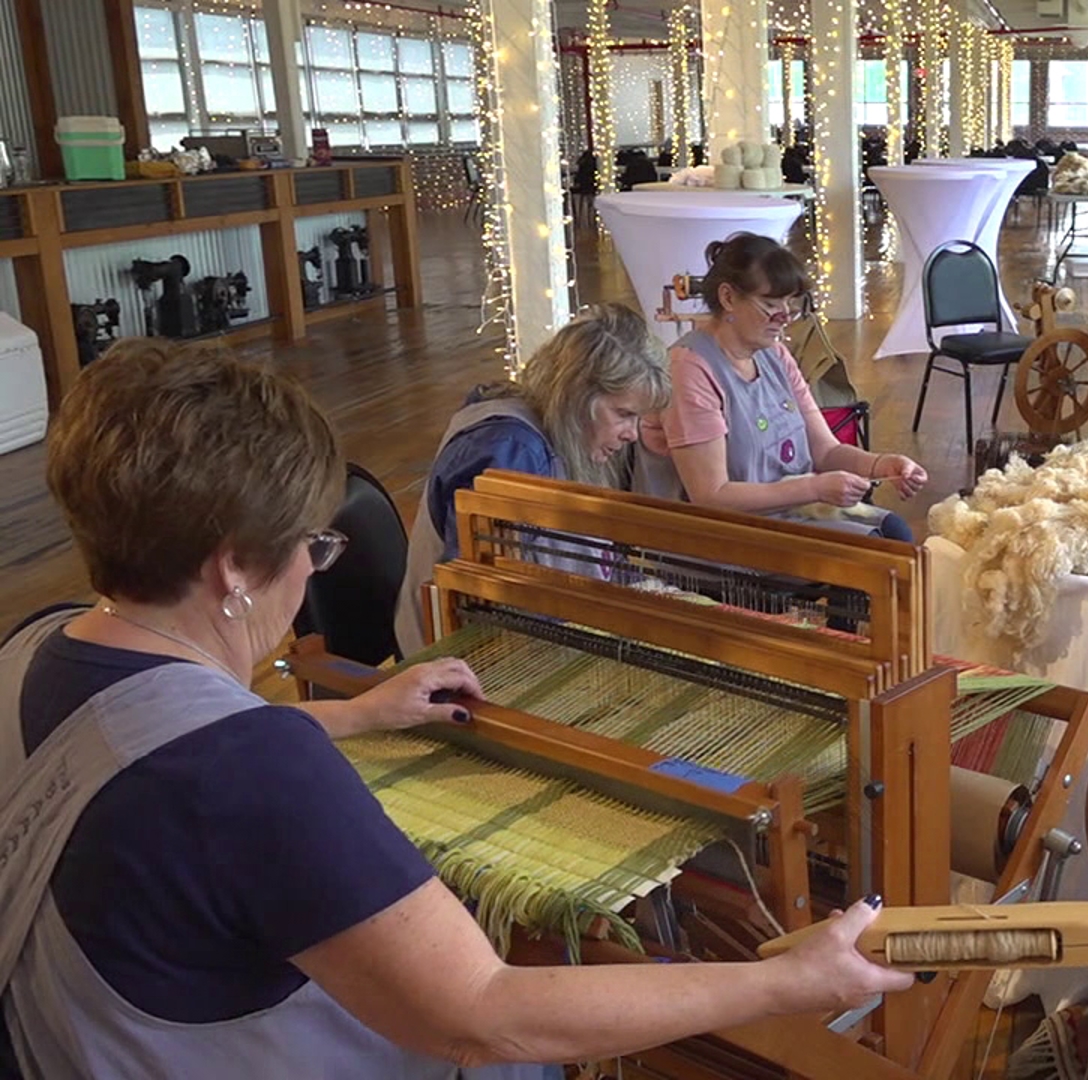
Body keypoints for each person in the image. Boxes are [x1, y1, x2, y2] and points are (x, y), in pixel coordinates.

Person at [0, 340, 912, 1079]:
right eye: (311, 546)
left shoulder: (44, 654)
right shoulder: (254, 770)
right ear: (232, 565)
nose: (313, 568)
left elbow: (152, 759)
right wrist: (785, 980)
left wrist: (358, 715)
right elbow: (486, 1017)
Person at [397, 303, 671, 657]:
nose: (631, 434)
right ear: (577, 396)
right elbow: (481, 601)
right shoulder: (509, 450)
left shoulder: (559, 439)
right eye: (623, 414)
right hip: (461, 665)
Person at [636, 233, 927, 540]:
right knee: (878, 554)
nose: (784, 317)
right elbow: (711, 496)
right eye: (771, 304)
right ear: (728, 298)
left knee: (894, 532)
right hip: (726, 533)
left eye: (790, 303)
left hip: (789, 513)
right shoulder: (689, 369)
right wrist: (813, 487)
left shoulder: (774, 354)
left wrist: (882, 465)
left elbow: (825, 451)